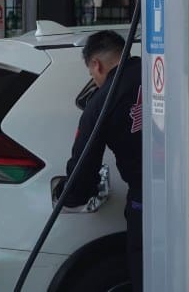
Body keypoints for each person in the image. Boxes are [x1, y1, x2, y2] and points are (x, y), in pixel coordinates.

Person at [62, 30, 143, 291]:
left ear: (96, 64)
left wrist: (69, 195)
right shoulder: (161, 72)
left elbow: (83, 169)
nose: (95, 81)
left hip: (147, 204)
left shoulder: (101, 102)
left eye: (91, 75)